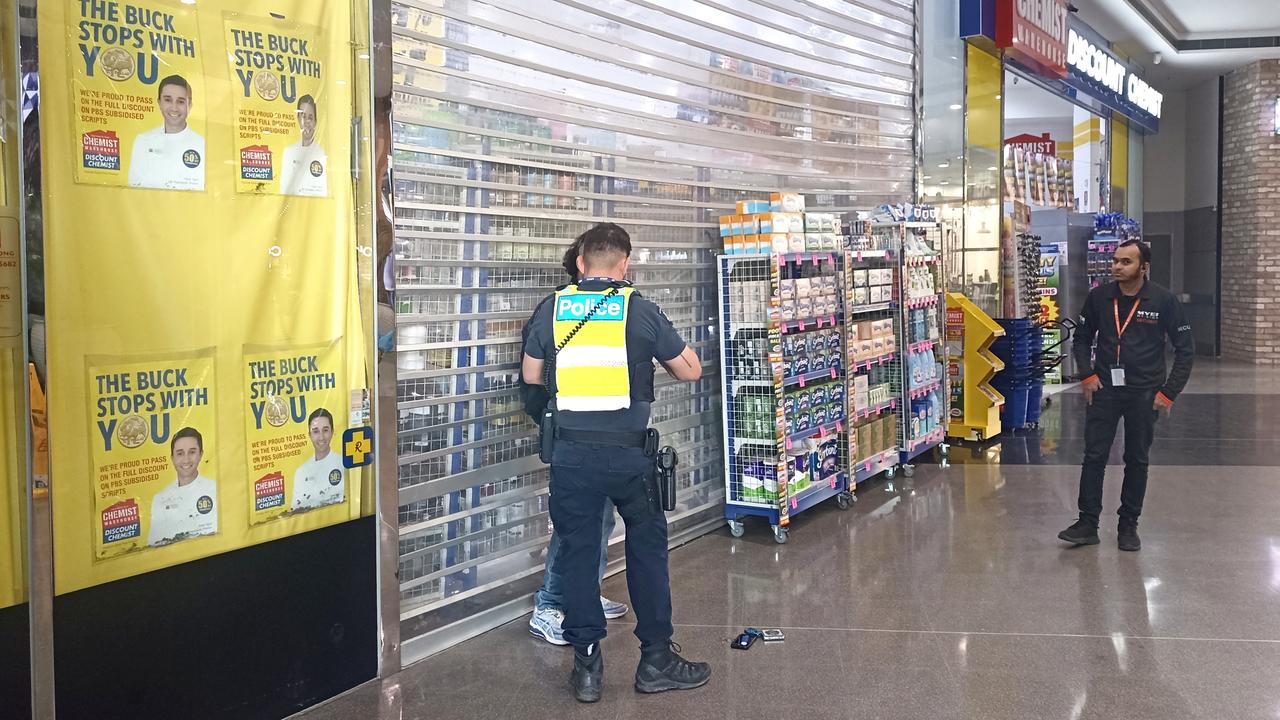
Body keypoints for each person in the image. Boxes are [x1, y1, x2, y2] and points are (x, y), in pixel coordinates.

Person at [522, 222, 710, 703]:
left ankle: (586, 667)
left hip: (571, 458)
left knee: (579, 555)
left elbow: (531, 376)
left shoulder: (552, 310)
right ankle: (656, 660)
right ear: (625, 264)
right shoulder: (640, 311)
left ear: (581, 263)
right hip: (630, 457)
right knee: (647, 553)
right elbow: (690, 370)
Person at [1058, 239, 1194, 551]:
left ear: (1143, 267)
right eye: (1116, 261)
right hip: (1104, 389)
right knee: (1094, 455)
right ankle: (1087, 523)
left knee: (1137, 458)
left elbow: (1185, 351)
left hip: (1144, 393)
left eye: (1126, 262)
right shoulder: (1099, 298)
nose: (1117, 267)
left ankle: (1128, 524)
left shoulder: (1163, 301)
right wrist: (1087, 374)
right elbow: (1081, 338)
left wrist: (1168, 393)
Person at [525, 238, 629, 646]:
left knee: (599, 518)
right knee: (574, 524)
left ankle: (583, 593)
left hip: (604, 436)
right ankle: (549, 605)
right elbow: (534, 376)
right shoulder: (555, 310)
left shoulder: (609, 311)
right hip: (572, 437)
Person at [128, 75, 205, 191]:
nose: (174, 108)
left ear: (189, 106)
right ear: (159, 102)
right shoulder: (143, 141)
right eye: (168, 100)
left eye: (181, 101)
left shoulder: (202, 144)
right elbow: (134, 187)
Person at [148, 427, 217, 546]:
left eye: (192, 452)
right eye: (180, 453)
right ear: (172, 458)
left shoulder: (215, 489)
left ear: (201, 454)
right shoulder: (160, 498)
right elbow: (154, 544)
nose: (186, 459)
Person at [291, 408, 345, 511]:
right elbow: (295, 510)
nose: (321, 437)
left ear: (332, 432)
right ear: (310, 435)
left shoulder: (343, 463)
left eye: (325, 430)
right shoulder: (301, 472)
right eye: (315, 431)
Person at [280, 94, 328, 197]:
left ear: (315, 122)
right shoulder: (289, 152)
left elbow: (324, 192)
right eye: (303, 117)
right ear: (298, 119)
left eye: (310, 118)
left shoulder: (321, 154)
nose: (306, 122)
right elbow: (284, 192)